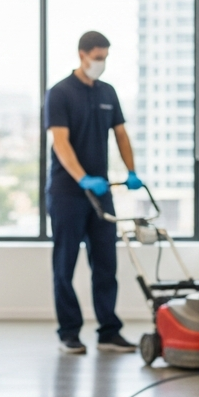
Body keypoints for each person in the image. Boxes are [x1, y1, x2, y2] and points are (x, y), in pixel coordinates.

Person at [46, 31, 143, 355]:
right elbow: (60, 142)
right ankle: (69, 333)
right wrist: (83, 178)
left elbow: (121, 135)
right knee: (65, 265)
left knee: (105, 264)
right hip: (67, 193)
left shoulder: (108, 92)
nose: (101, 63)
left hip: (102, 193)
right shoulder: (59, 93)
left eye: (104, 58)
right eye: (97, 58)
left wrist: (131, 171)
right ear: (82, 55)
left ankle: (108, 332)